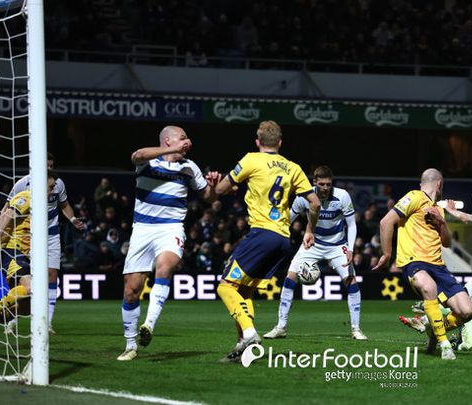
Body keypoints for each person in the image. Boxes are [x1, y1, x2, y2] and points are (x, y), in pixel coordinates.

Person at [214, 120, 320, 363]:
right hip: (283, 239)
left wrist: (222, 184)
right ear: (280, 143)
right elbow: (314, 203)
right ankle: (243, 346)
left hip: (262, 233)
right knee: (244, 291)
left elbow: (219, 190)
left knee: (225, 286)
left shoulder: (251, 159)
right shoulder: (293, 167)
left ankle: (249, 334)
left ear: (257, 141)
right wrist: (309, 230)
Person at [117, 126, 219, 361]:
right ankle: (131, 345)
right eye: (182, 138)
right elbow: (136, 155)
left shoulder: (189, 167)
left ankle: (149, 325)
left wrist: (213, 186)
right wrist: (170, 150)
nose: (187, 141)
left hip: (171, 227)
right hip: (142, 229)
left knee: (165, 267)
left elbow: (209, 198)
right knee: (131, 291)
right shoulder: (149, 162)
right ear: (167, 140)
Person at [373, 168, 472, 360]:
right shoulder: (415, 196)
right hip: (414, 262)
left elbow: (447, 243)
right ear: (439, 184)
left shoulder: (438, 209)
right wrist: (386, 254)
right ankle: (445, 345)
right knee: (429, 287)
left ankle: (434, 327)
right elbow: (386, 222)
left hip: (439, 267)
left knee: (467, 311)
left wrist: (441, 222)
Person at [264, 165, 367, 341]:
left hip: (337, 245)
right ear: (314, 182)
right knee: (290, 277)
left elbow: (351, 224)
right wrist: (272, 236)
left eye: (328, 184)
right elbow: (287, 221)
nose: (325, 188)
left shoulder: (342, 196)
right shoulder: (303, 197)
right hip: (312, 243)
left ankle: (356, 329)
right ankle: (281, 327)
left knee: (351, 281)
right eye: (322, 184)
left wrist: (350, 248)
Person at [3, 153, 85, 334]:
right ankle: (11, 320)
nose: (49, 168)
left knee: (52, 274)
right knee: (24, 278)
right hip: (28, 237)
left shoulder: (57, 184)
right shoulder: (23, 184)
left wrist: (72, 220)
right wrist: (1, 233)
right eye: (46, 165)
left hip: (51, 234)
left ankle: (47, 323)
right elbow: (7, 210)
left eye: (52, 165)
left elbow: (64, 205)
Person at [0, 172, 59, 323]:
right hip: (11, 251)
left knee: (30, 306)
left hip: (22, 254)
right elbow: (5, 217)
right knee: (32, 288)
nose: (53, 191)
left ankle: (2, 316)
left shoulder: (39, 205)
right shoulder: (27, 197)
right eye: (50, 187)